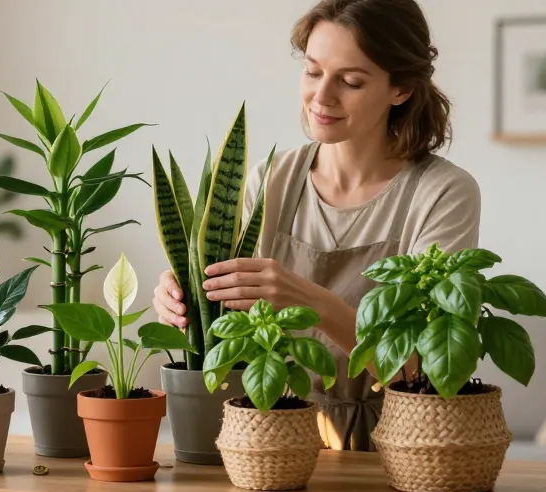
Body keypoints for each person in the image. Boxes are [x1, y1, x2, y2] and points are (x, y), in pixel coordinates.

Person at [152, 0, 481, 452]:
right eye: (312, 71)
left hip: (396, 449)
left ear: (400, 89)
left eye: (350, 81)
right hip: (270, 443)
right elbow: (229, 321)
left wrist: (311, 300)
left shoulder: (442, 193)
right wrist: (184, 292)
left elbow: (419, 371)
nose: (321, 97)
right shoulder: (272, 180)